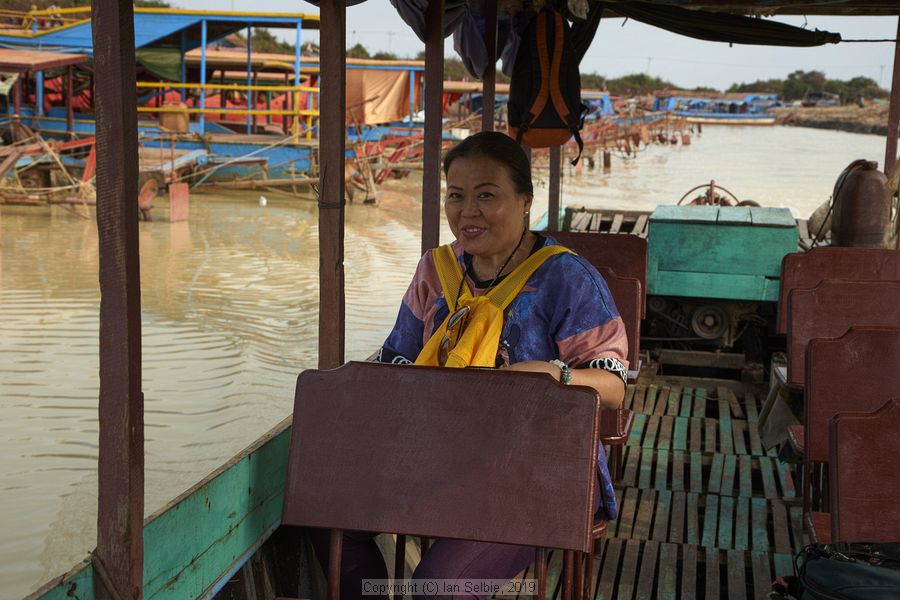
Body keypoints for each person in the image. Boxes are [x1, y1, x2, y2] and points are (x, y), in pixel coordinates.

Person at [310, 131, 628, 600]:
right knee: (327, 516)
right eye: (456, 196)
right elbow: (397, 361)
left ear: (525, 201)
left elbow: (614, 386)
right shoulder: (436, 270)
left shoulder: (567, 278)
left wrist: (555, 375)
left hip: (542, 471)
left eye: (486, 195)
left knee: (438, 589)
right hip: (444, 457)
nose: (467, 211)